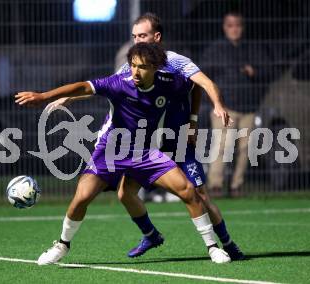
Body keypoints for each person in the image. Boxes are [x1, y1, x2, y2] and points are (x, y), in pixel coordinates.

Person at [15, 43, 231, 265]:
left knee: (188, 190)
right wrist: (44, 97)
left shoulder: (170, 83)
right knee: (82, 197)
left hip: (144, 152)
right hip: (110, 152)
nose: (136, 72)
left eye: (143, 67)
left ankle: (213, 247)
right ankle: (62, 245)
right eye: (133, 65)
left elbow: (196, 86)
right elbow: (82, 87)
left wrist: (196, 117)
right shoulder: (119, 83)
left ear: (156, 67)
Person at [55, 13, 245, 261]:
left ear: (157, 37)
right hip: (148, 144)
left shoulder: (176, 63)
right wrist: (72, 97)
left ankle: (227, 245)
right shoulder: (132, 66)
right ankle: (151, 235)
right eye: (134, 36)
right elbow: (110, 87)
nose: (137, 41)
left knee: (199, 194)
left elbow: (199, 84)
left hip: (177, 140)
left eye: (142, 36)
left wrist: (195, 119)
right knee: (125, 193)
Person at [201, 11, 274, 198]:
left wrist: (254, 71)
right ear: (224, 27)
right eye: (230, 25)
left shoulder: (253, 48)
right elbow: (204, 76)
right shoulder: (215, 49)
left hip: (249, 106)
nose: (234, 29)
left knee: (245, 148)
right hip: (225, 107)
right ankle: (215, 185)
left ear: (242, 27)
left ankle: (236, 186)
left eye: (237, 25)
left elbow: (269, 71)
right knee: (222, 146)